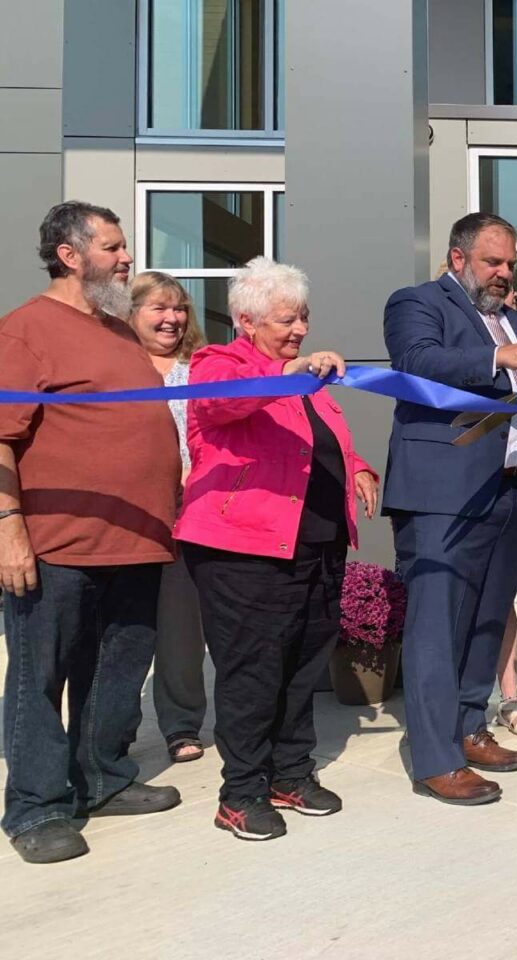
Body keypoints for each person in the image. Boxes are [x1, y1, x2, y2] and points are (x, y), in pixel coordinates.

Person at [0, 203, 183, 865]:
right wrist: (7, 529)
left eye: (124, 245)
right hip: (58, 542)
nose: (126, 257)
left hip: (135, 540)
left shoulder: (117, 331)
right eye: (113, 247)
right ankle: (37, 808)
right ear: (70, 255)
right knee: (40, 678)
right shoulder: (25, 330)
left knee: (116, 671)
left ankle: (102, 778)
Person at [175, 257, 377, 841]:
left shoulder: (307, 379)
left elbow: (320, 445)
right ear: (247, 320)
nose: (299, 331)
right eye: (287, 320)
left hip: (315, 544)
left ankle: (290, 773)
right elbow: (221, 405)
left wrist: (357, 466)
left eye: (303, 319)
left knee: (301, 666)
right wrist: (294, 371)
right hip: (244, 548)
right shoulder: (221, 364)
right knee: (252, 670)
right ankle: (240, 793)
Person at [384, 213, 517, 806]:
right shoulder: (416, 302)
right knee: (437, 625)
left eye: (510, 262)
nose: (502, 273)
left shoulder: (513, 319)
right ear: (457, 258)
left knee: (488, 620)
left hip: (510, 489)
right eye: (492, 261)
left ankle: (468, 727)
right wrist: (500, 358)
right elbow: (417, 363)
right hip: (442, 494)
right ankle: (435, 758)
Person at [128, 272, 210, 763]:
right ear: (132, 313)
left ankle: (181, 727)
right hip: (132, 509)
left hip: (189, 507)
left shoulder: (198, 367)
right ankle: (114, 730)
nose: (172, 318)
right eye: (159, 308)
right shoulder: (118, 368)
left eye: (179, 308)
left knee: (182, 623)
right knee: (127, 623)